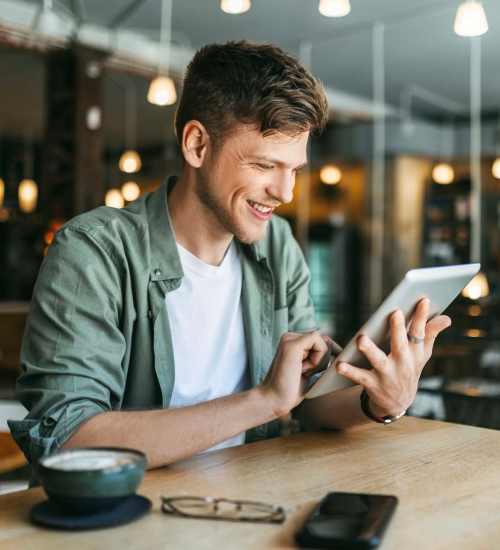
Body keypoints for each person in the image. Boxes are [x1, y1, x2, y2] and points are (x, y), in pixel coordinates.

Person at [9, 41, 451, 471]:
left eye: (293, 170)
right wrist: (262, 402)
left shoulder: (279, 247)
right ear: (197, 145)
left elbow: (309, 404)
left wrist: (378, 401)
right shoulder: (94, 251)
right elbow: (66, 438)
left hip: (249, 509)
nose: (285, 192)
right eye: (263, 166)